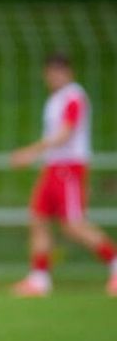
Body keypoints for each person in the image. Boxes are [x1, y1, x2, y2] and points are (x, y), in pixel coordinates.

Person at [9, 53, 117, 297]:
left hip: (69, 168)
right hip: (53, 167)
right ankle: (39, 279)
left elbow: (66, 133)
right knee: (38, 219)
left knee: (73, 226)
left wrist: (31, 152)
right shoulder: (55, 100)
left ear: (69, 72)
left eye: (60, 70)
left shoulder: (74, 97)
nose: (55, 75)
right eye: (51, 71)